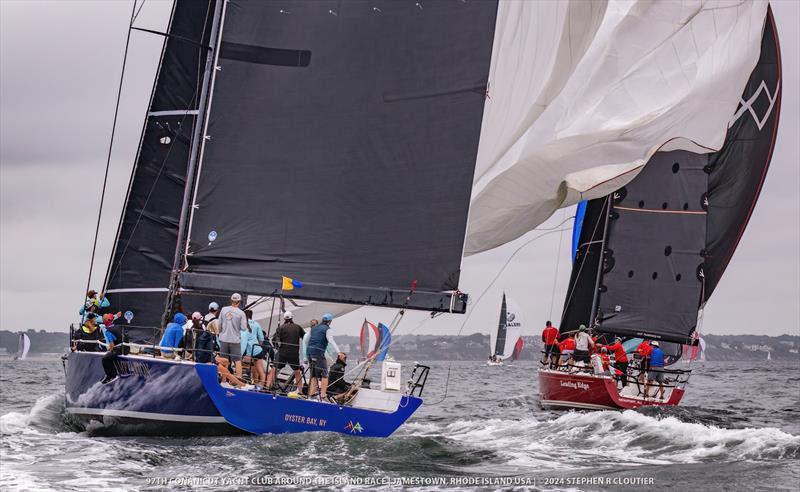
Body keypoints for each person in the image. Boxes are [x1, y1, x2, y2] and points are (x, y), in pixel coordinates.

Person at [303, 313, 344, 400]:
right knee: (325, 374)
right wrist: (339, 352)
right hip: (319, 352)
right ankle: (322, 395)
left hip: (309, 351)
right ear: (330, 321)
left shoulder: (314, 327)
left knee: (313, 375)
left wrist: (311, 347)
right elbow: (331, 341)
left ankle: (311, 395)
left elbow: (306, 339)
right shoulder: (328, 329)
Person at [268, 311, 305, 392]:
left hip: (282, 352)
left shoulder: (281, 327)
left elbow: (274, 340)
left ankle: (268, 387)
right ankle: (301, 391)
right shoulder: (298, 327)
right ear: (292, 318)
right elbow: (304, 338)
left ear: (284, 318)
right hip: (294, 354)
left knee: (274, 369)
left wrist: (277, 347)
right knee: (297, 372)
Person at [218, 293, 248, 378]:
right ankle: (239, 379)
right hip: (235, 340)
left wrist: (220, 333)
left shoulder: (224, 310)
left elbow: (219, 323)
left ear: (231, 300)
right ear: (239, 302)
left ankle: (224, 380)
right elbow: (244, 328)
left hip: (223, 339)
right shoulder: (241, 313)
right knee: (237, 361)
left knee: (224, 361)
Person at [240, 310, 266, 386]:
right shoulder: (256, 324)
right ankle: (261, 385)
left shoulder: (242, 325)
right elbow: (261, 338)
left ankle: (239, 382)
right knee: (260, 369)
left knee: (239, 365)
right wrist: (259, 346)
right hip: (257, 350)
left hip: (246, 352)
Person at [100, 314, 125, 384]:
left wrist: (109, 351)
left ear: (105, 322)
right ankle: (111, 375)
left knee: (105, 359)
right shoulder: (117, 327)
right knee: (109, 356)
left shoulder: (108, 331)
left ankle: (112, 375)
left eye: (103, 320)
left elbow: (112, 345)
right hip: (125, 348)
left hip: (118, 349)